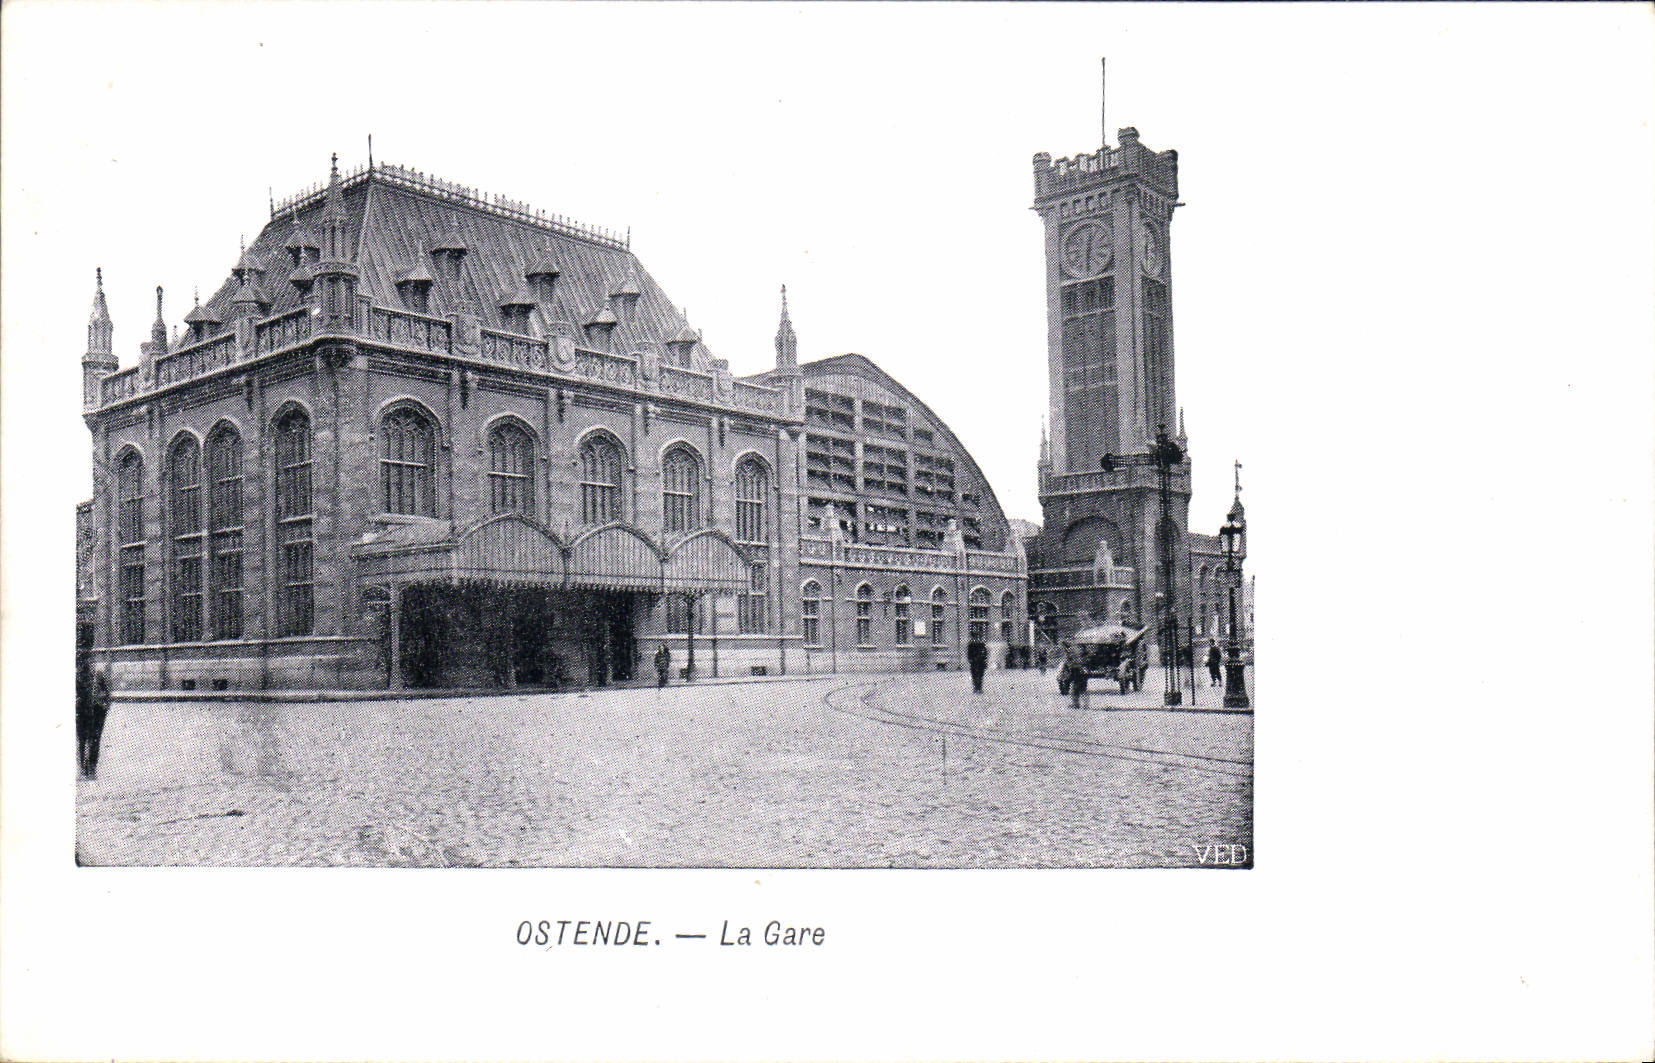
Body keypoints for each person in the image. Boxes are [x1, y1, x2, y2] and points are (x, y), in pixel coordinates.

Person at [75, 658, 111, 779]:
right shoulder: (77, 677)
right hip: (82, 713)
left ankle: (92, 769)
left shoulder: (98, 675)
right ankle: (84, 769)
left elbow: (107, 694)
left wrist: (103, 707)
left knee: (94, 741)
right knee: (82, 741)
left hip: (97, 713)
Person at [1063, 644, 1088, 709]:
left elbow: (1069, 663)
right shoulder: (1083, 654)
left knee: (1075, 688)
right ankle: (1085, 704)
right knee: (1082, 689)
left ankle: (1076, 704)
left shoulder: (1071, 653)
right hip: (1082, 671)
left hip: (1076, 671)